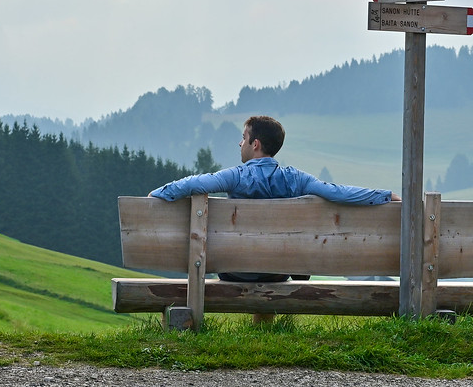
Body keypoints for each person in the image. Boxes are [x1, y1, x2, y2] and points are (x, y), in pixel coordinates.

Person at [149, 115, 401, 282]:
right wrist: (384, 196)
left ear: (255, 143)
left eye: (244, 138)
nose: (240, 143)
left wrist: (158, 194)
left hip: (237, 271)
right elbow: (337, 192)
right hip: (277, 272)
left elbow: (194, 183)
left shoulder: (236, 177)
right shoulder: (296, 179)